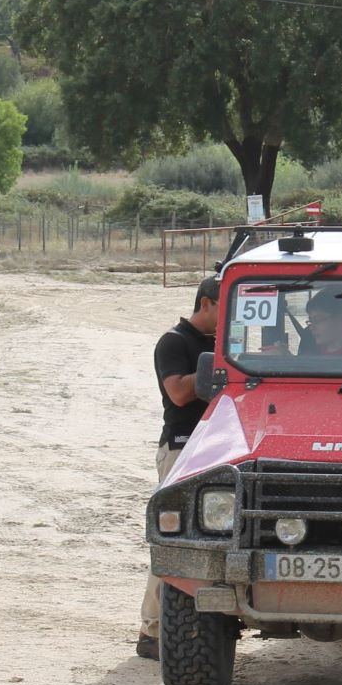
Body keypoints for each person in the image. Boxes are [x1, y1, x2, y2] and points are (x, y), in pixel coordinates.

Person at [137, 275, 219, 660]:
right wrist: (225, 362)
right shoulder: (174, 341)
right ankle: (152, 629)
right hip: (181, 447)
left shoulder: (218, 342)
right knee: (172, 538)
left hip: (215, 446)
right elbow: (179, 393)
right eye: (225, 306)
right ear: (205, 303)